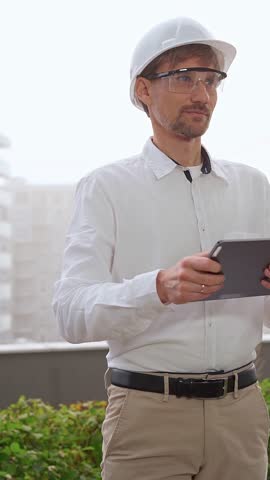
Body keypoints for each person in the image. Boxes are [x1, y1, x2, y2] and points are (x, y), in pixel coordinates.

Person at [53, 16, 270, 480]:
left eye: (211, 80)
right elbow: (70, 313)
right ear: (143, 91)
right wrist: (159, 287)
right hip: (149, 416)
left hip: (243, 416)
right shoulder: (105, 188)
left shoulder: (254, 186)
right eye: (184, 77)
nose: (202, 94)